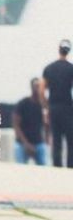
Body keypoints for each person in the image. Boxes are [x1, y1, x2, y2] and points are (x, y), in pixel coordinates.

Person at [39, 39, 73, 168]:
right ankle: (70, 167)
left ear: (59, 49)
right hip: (68, 107)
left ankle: (57, 167)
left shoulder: (49, 68)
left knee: (56, 138)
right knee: (70, 139)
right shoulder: (71, 68)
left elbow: (42, 89)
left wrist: (46, 106)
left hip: (53, 107)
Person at [13, 78, 49, 165]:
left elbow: (47, 124)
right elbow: (16, 125)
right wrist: (26, 144)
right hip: (22, 143)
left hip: (38, 143)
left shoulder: (43, 104)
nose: (37, 89)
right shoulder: (23, 103)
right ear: (31, 87)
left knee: (44, 164)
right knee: (19, 166)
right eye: (36, 86)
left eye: (39, 87)